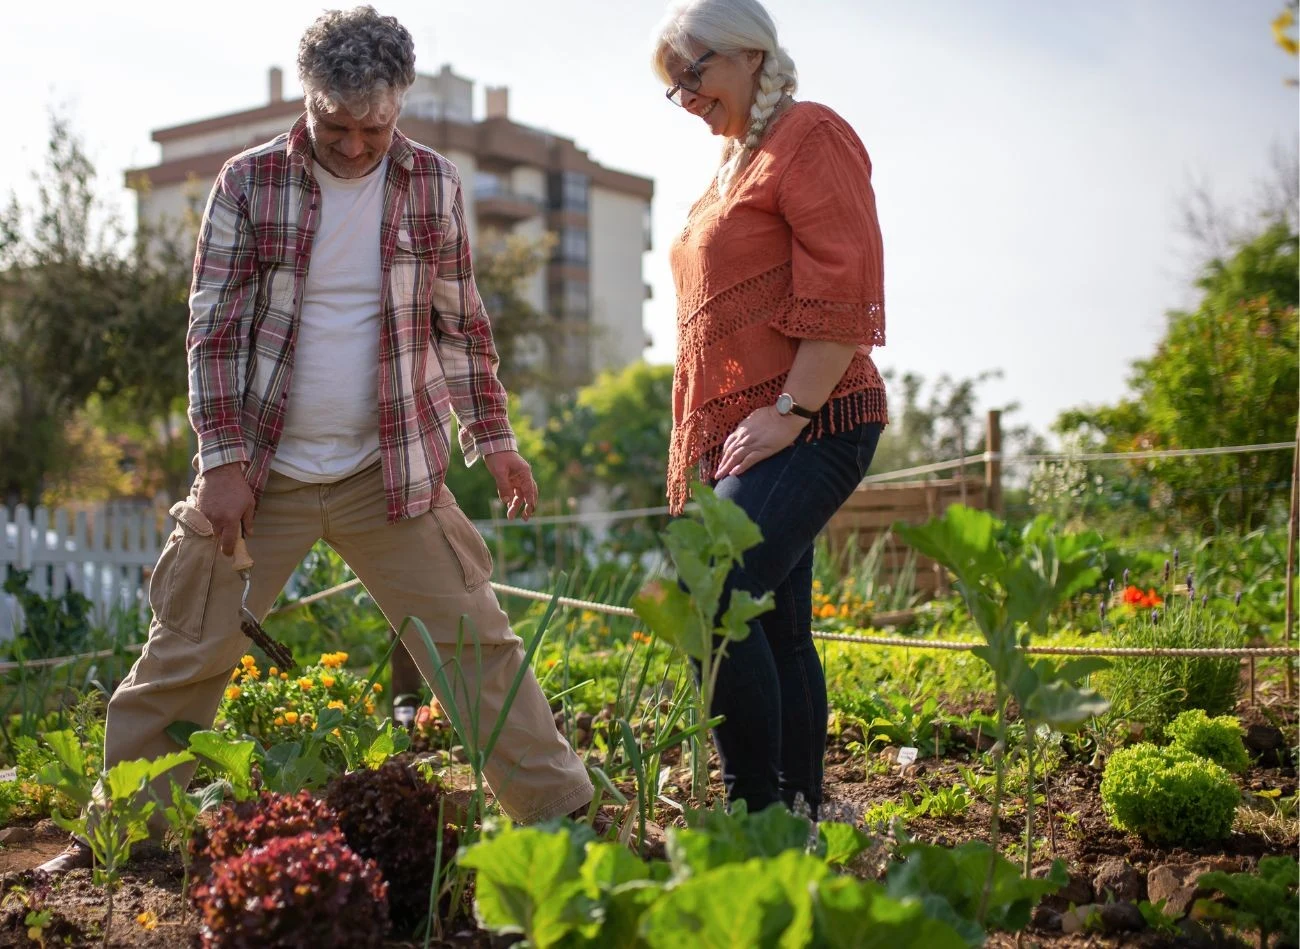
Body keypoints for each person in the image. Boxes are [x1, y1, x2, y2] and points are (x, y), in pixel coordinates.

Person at [38, 5, 592, 873]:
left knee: (475, 645)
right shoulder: (247, 182)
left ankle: (558, 814)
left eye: (376, 126)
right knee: (189, 645)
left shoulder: (434, 184)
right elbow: (212, 332)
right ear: (309, 100)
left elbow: (459, 326)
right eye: (337, 125)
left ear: (399, 104)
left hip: (390, 471)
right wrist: (221, 463)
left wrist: (496, 436)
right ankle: (120, 833)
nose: (358, 144)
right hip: (262, 474)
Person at [652, 0, 888, 820]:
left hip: (814, 417)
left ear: (750, 55)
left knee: (710, 591)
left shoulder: (808, 135)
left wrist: (791, 406)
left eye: (694, 72)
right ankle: (800, 812)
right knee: (776, 627)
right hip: (749, 435)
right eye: (671, 86)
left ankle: (758, 812)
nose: (684, 96)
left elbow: (843, 272)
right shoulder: (730, 163)